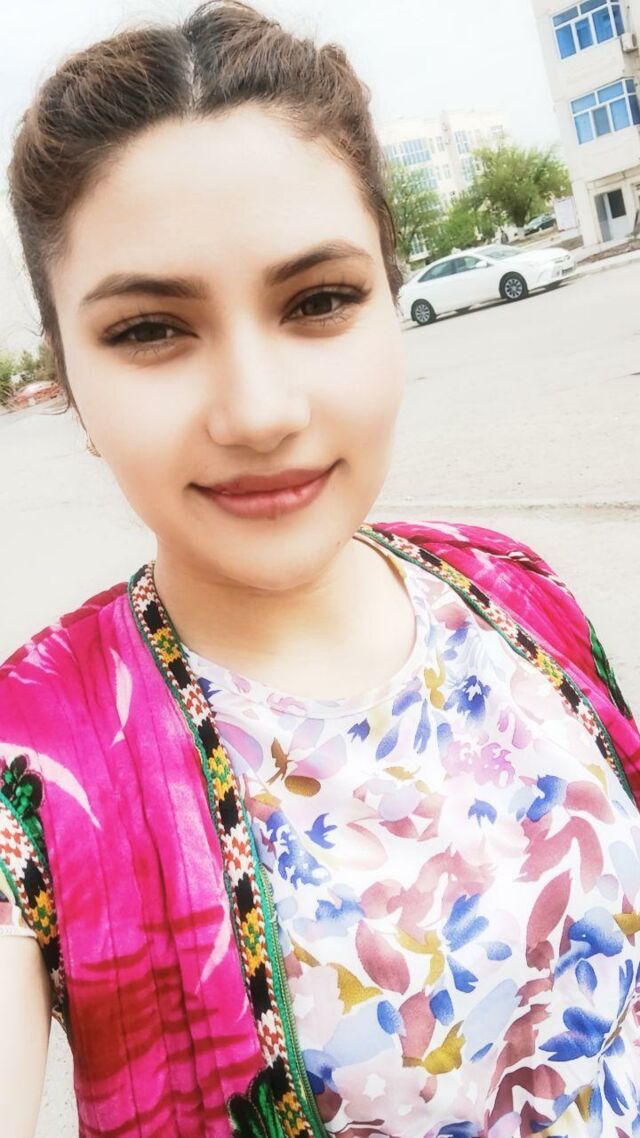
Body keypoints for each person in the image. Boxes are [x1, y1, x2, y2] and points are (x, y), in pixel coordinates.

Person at [2, 4, 640, 1136]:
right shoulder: (39, 763)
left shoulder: (512, 585)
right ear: (68, 374)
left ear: (392, 297)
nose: (258, 413)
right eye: (149, 329)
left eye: (319, 301)